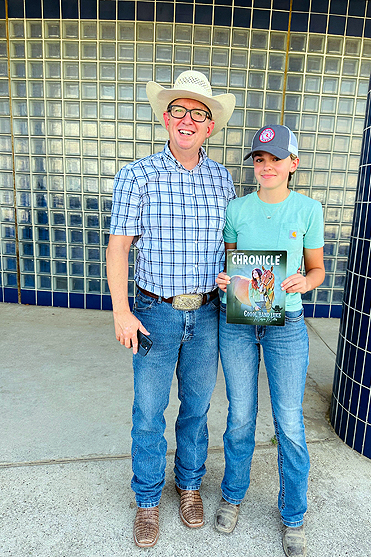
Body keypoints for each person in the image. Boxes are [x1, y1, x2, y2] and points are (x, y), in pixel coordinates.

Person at [106, 70, 236, 548]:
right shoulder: (136, 175)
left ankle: (189, 486)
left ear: (209, 127)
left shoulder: (222, 178)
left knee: (197, 409)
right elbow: (118, 247)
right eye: (178, 110)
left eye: (197, 114)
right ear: (166, 118)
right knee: (148, 411)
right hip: (154, 313)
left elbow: (231, 245)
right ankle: (146, 500)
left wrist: (238, 278)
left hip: (207, 313)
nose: (187, 120)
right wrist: (122, 312)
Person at [215, 125, 325, 557]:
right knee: (240, 416)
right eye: (260, 159)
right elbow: (231, 264)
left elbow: (317, 270)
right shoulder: (237, 209)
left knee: (290, 423)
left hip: (287, 327)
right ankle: (232, 495)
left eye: (276, 159)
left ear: (293, 163)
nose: (266, 166)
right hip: (239, 323)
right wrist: (225, 280)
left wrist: (305, 282)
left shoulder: (308, 210)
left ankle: (293, 515)